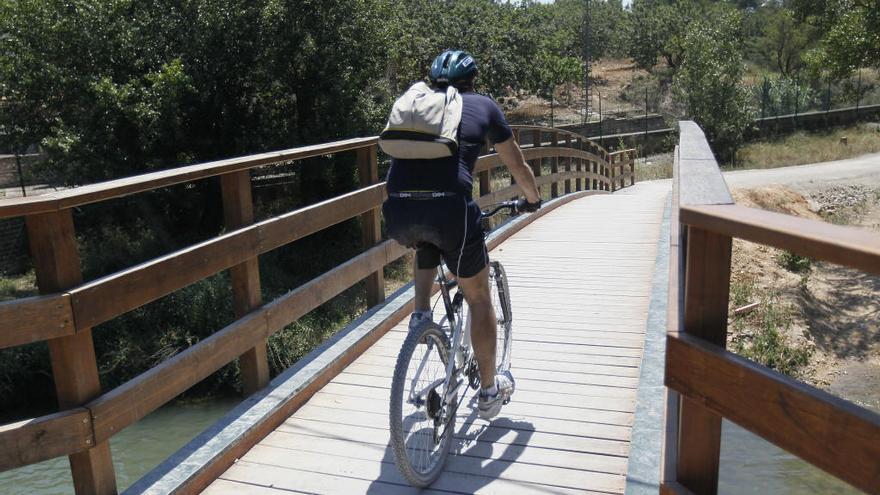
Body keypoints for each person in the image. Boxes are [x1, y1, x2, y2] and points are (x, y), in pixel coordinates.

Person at [382, 50, 541, 419]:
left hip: (399, 208)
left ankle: (420, 314)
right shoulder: (483, 107)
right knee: (480, 300)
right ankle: (488, 393)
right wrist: (533, 199)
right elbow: (515, 163)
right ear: (473, 81)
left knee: (426, 236)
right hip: (452, 212)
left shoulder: (418, 109)